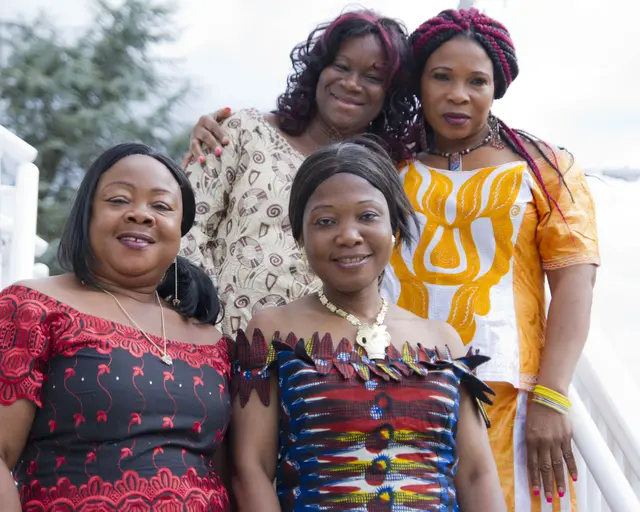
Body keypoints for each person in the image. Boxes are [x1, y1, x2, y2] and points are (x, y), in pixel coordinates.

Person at [380, 9, 599, 511]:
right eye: (442, 76)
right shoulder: (387, 164)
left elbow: (574, 285)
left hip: (511, 399)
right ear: (418, 80)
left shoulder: (545, 168)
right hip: (400, 384)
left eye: (477, 80)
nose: (459, 94)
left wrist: (551, 397)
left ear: (497, 86)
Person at [230, 136, 506, 511]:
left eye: (368, 216)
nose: (348, 235)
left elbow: (477, 474)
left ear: (395, 226)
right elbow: (250, 470)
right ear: (300, 236)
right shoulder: (271, 332)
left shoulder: (444, 342)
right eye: (325, 221)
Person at [0, 143, 232, 511]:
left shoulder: (214, 341)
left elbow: (225, 471)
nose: (140, 215)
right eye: (119, 200)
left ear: (180, 230)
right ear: (87, 214)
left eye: (160, 206)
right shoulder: (31, 307)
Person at [180, 9, 416, 335]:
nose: (351, 84)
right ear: (318, 69)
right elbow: (185, 228)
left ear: (391, 94)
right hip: (215, 347)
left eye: (373, 77)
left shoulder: (388, 175)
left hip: (322, 366)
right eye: (341, 67)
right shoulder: (242, 132)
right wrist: (201, 322)